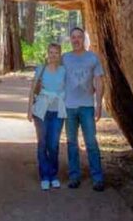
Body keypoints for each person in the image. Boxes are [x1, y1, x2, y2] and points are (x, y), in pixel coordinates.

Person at [62, 27, 105, 192]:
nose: (76, 40)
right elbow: (55, 76)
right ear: (70, 39)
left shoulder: (92, 58)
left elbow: (99, 81)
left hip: (87, 106)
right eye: (73, 37)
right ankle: (74, 176)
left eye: (79, 37)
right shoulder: (64, 58)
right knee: (72, 143)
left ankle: (98, 178)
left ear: (83, 39)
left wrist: (99, 104)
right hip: (69, 107)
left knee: (91, 142)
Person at [27, 43, 67, 191]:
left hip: (57, 111)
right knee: (42, 142)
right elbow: (33, 90)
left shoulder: (64, 71)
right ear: (47, 54)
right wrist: (29, 110)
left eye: (56, 53)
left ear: (60, 55)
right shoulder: (40, 69)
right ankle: (44, 176)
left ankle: (53, 174)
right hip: (41, 112)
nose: (53, 55)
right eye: (50, 52)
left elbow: (70, 87)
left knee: (54, 144)